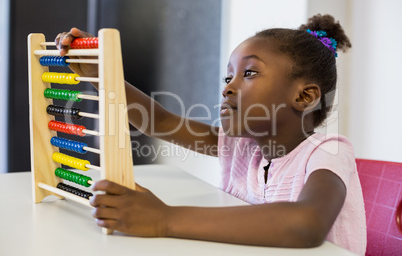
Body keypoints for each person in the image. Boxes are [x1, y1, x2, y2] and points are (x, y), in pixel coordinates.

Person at [55, 14, 366, 255]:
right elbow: (159, 122)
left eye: (249, 73)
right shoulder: (243, 147)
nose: (228, 87)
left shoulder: (327, 152)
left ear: (304, 97)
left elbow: (306, 223)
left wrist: (165, 219)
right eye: (228, 76)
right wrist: (99, 74)